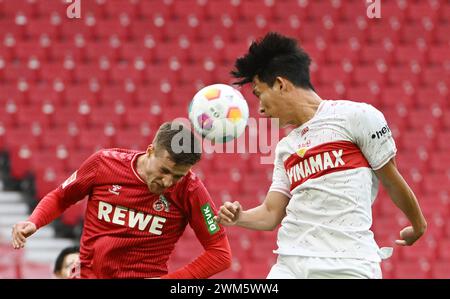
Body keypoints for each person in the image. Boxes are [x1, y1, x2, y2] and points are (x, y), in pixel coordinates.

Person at [214, 32, 427, 279]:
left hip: (348, 263)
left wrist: (418, 224)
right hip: (290, 265)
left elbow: (391, 178)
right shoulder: (286, 148)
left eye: (260, 94)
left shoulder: (355, 117)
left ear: (281, 84)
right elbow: (272, 213)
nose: (260, 109)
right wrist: (240, 218)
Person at [12, 122, 232, 278]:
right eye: (164, 170)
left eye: (177, 176)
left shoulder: (191, 188)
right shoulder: (104, 164)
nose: (167, 182)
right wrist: (35, 220)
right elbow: (61, 196)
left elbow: (220, 253)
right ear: (150, 150)